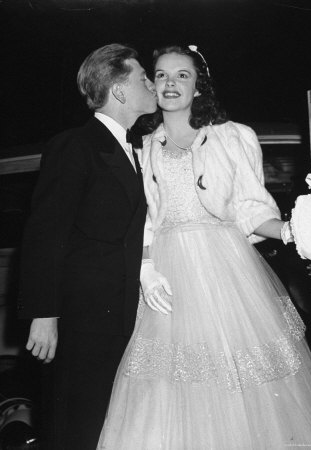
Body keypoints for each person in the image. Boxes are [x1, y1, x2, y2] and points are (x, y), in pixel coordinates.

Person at [97, 45, 311, 449]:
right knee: (166, 383)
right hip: (167, 273)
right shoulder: (144, 147)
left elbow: (250, 209)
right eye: (162, 75)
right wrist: (146, 268)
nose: (170, 84)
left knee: (239, 385)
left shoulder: (232, 136)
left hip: (225, 269)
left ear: (199, 86)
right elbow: (145, 222)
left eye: (182, 75)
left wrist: (296, 231)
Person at [18, 43, 157, 450]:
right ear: (118, 90)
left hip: (123, 314)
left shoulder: (134, 148)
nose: (152, 84)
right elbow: (46, 232)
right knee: (78, 427)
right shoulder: (75, 145)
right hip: (84, 320)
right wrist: (44, 313)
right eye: (143, 78)